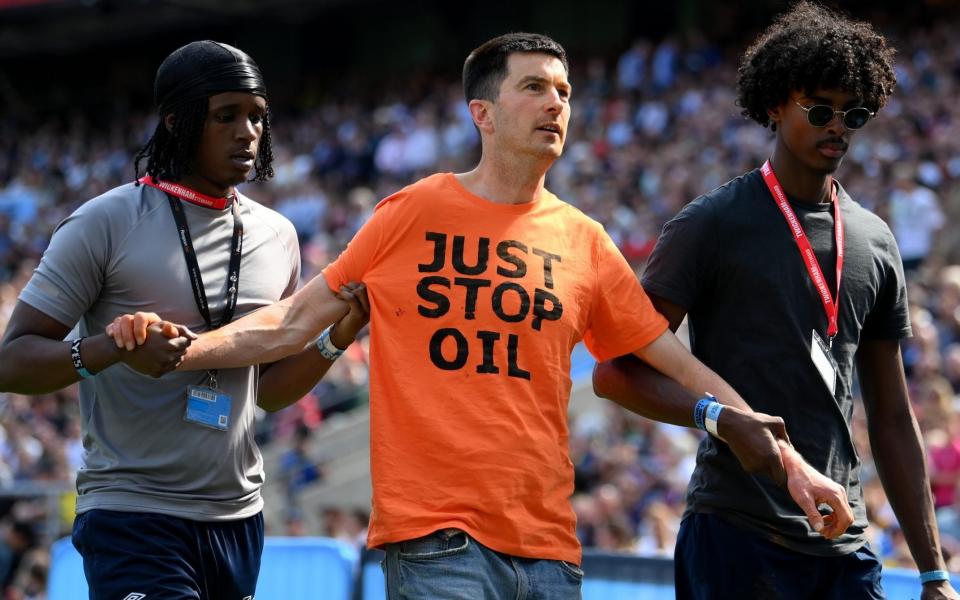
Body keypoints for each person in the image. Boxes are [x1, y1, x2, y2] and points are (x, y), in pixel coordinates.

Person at [109, 33, 851, 600]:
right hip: (438, 541)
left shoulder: (584, 240)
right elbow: (291, 323)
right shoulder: (412, 212)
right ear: (483, 114)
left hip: (551, 548)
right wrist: (186, 351)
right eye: (536, 88)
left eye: (563, 91)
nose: (556, 104)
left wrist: (788, 461)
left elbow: (671, 360)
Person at [593, 3, 959, 599]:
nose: (837, 124)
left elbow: (893, 417)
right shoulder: (710, 224)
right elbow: (615, 372)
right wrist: (719, 419)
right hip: (734, 535)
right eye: (818, 107)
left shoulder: (874, 239)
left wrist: (934, 571)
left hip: (843, 537)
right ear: (774, 105)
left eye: (854, 113)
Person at [0, 40, 370, 599]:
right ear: (177, 121)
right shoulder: (103, 221)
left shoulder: (279, 236)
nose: (248, 132)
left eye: (257, 116)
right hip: (132, 515)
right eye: (227, 116)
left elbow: (267, 392)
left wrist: (339, 335)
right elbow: (11, 363)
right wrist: (107, 349)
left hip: (238, 519)